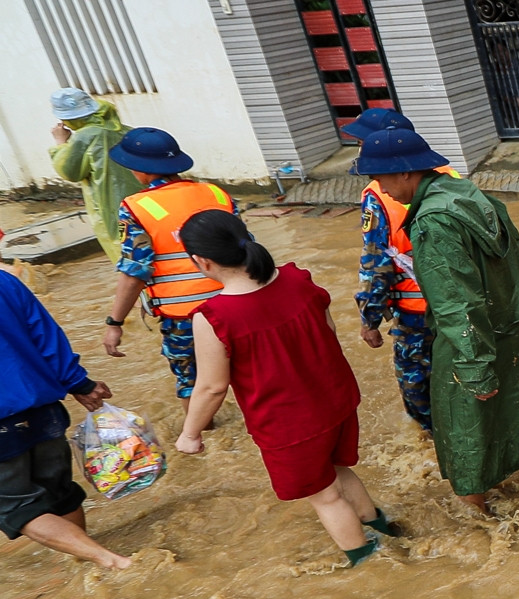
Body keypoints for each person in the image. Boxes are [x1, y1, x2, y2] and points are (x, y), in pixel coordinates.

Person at [355, 129, 519, 509]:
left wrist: (474, 367)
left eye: (382, 178)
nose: (380, 188)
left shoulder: (432, 221)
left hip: (474, 340)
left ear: (408, 173)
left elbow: (455, 302)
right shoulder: (472, 194)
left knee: (463, 433)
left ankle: (477, 521)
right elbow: (517, 258)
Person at [174, 212, 398, 567]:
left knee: (324, 496)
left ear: (202, 261)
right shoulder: (297, 279)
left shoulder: (213, 317)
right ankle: (383, 529)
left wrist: (190, 434)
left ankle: (369, 562)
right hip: (336, 401)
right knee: (338, 468)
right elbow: (329, 331)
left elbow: (212, 387)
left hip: (289, 425)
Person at [0, 264, 129, 570]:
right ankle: (87, 567)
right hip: (42, 408)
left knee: (17, 508)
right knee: (60, 493)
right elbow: (44, 334)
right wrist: (78, 383)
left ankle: (108, 560)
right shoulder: (5, 281)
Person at [100, 128, 240, 411]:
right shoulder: (216, 193)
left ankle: (200, 442)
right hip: (238, 306)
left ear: (140, 169)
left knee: (194, 384)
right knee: (251, 374)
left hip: (183, 318)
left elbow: (134, 271)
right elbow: (247, 249)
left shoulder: (136, 207)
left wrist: (115, 323)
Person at [343, 107, 445, 432]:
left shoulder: (378, 195)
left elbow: (376, 261)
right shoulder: (447, 175)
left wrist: (369, 319)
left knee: (417, 388)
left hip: (417, 312)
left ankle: (435, 444)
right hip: (457, 304)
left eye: (361, 141)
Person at [47, 88, 140, 256]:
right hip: (142, 199)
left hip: (110, 204)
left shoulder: (85, 136)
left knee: (122, 244)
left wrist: (60, 143)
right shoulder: (126, 130)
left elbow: (70, 172)